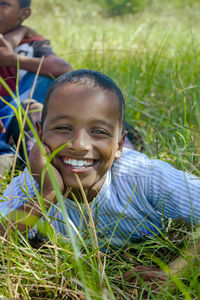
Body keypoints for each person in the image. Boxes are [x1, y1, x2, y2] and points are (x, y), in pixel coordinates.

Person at [0, 69, 199, 285]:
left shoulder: (144, 177)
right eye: (63, 128)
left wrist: (174, 272)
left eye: (98, 131)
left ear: (119, 145)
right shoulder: (29, 185)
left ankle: (131, 137)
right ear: (39, 134)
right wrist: (46, 196)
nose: (79, 145)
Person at [0, 0, 72, 172]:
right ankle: (9, 153)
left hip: (15, 111)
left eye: (4, 3)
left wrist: (12, 59)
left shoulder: (31, 44)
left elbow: (64, 69)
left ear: (23, 14)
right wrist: (20, 31)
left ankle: (23, 153)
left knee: (45, 77)